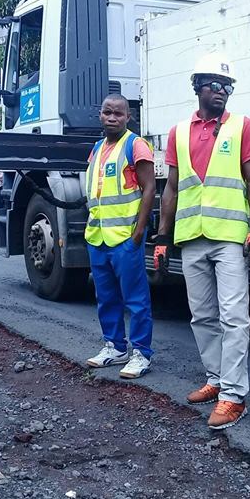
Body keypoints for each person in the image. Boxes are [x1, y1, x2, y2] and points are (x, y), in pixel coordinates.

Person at [153, 53, 250, 430]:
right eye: (214, 85)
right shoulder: (178, 132)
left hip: (230, 237)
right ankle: (216, 381)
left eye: (227, 86)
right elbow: (171, 188)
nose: (221, 92)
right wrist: (162, 238)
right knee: (202, 315)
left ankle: (234, 397)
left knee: (234, 317)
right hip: (191, 237)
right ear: (198, 87)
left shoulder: (241, 126)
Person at [84, 94, 157, 379]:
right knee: (106, 297)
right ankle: (114, 347)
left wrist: (138, 232)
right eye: (107, 113)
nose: (112, 118)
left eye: (118, 114)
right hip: (99, 237)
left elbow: (149, 188)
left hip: (126, 238)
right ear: (100, 115)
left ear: (128, 117)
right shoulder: (96, 148)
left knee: (136, 299)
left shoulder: (135, 145)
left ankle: (141, 353)